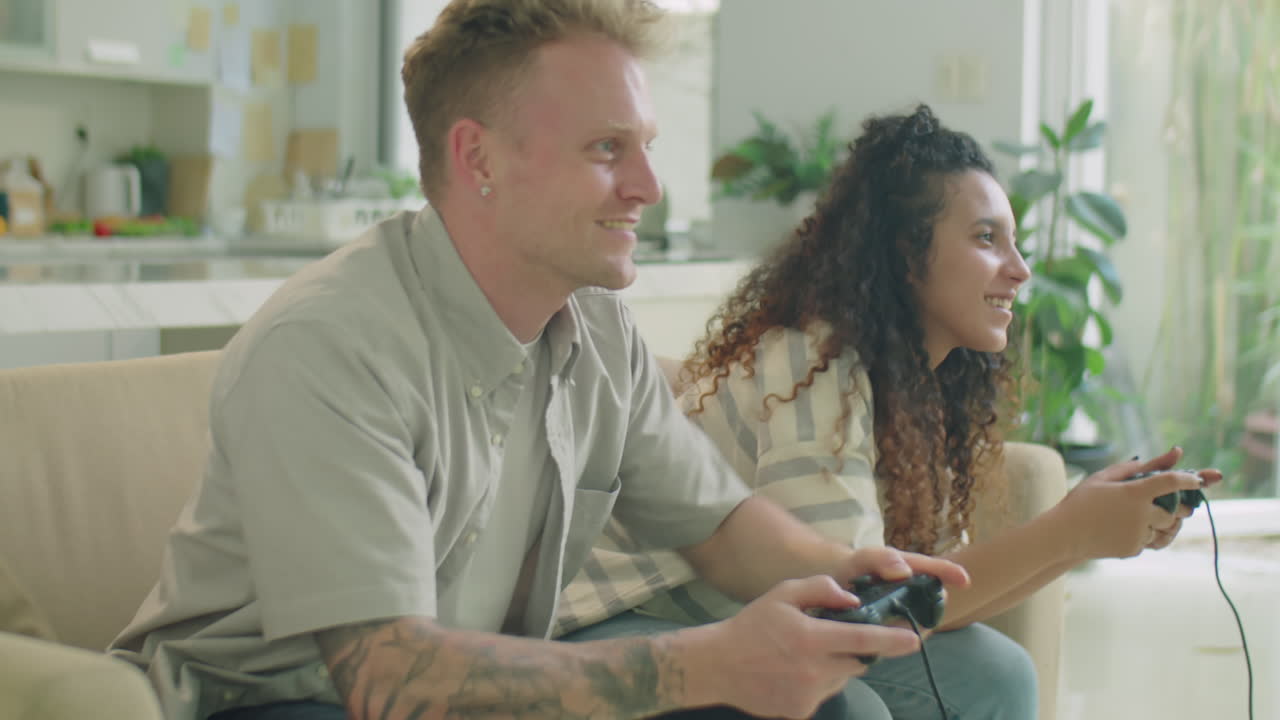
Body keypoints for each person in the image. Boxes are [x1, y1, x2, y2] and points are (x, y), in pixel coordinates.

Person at [108, 4, 971, 720]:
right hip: (270, 699)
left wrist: (836, 569)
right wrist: (705, 665)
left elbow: (715, 525)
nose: (649, 186)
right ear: (478, 158)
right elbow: (385, 677)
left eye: (646, 145)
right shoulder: (329, 347)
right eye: (607, 149)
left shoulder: (597, 328)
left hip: (472, 680)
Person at [556, 104, 1221, 719]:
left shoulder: (921, 395)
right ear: (905, 257)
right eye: (988, 238)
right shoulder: (810, 364)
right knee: (851, 708)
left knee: (997, 674)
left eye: (1014, 242)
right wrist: (1069, 534)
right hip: (629, 614)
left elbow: (923, 601)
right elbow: (853, 607)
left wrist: (1085, 532)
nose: (1018, 269)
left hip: (741, 609)